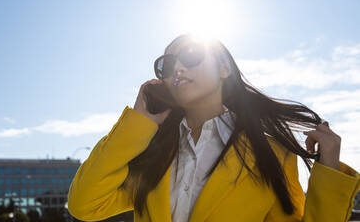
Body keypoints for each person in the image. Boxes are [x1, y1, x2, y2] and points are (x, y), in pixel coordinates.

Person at [67, 33, 360, 222]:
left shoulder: (273, 154)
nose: (178, 69)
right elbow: (84, 203)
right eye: (166, 66)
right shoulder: (153, 153)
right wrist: (138, 122)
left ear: (224, 69)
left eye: (192, 56)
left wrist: (329, 170)